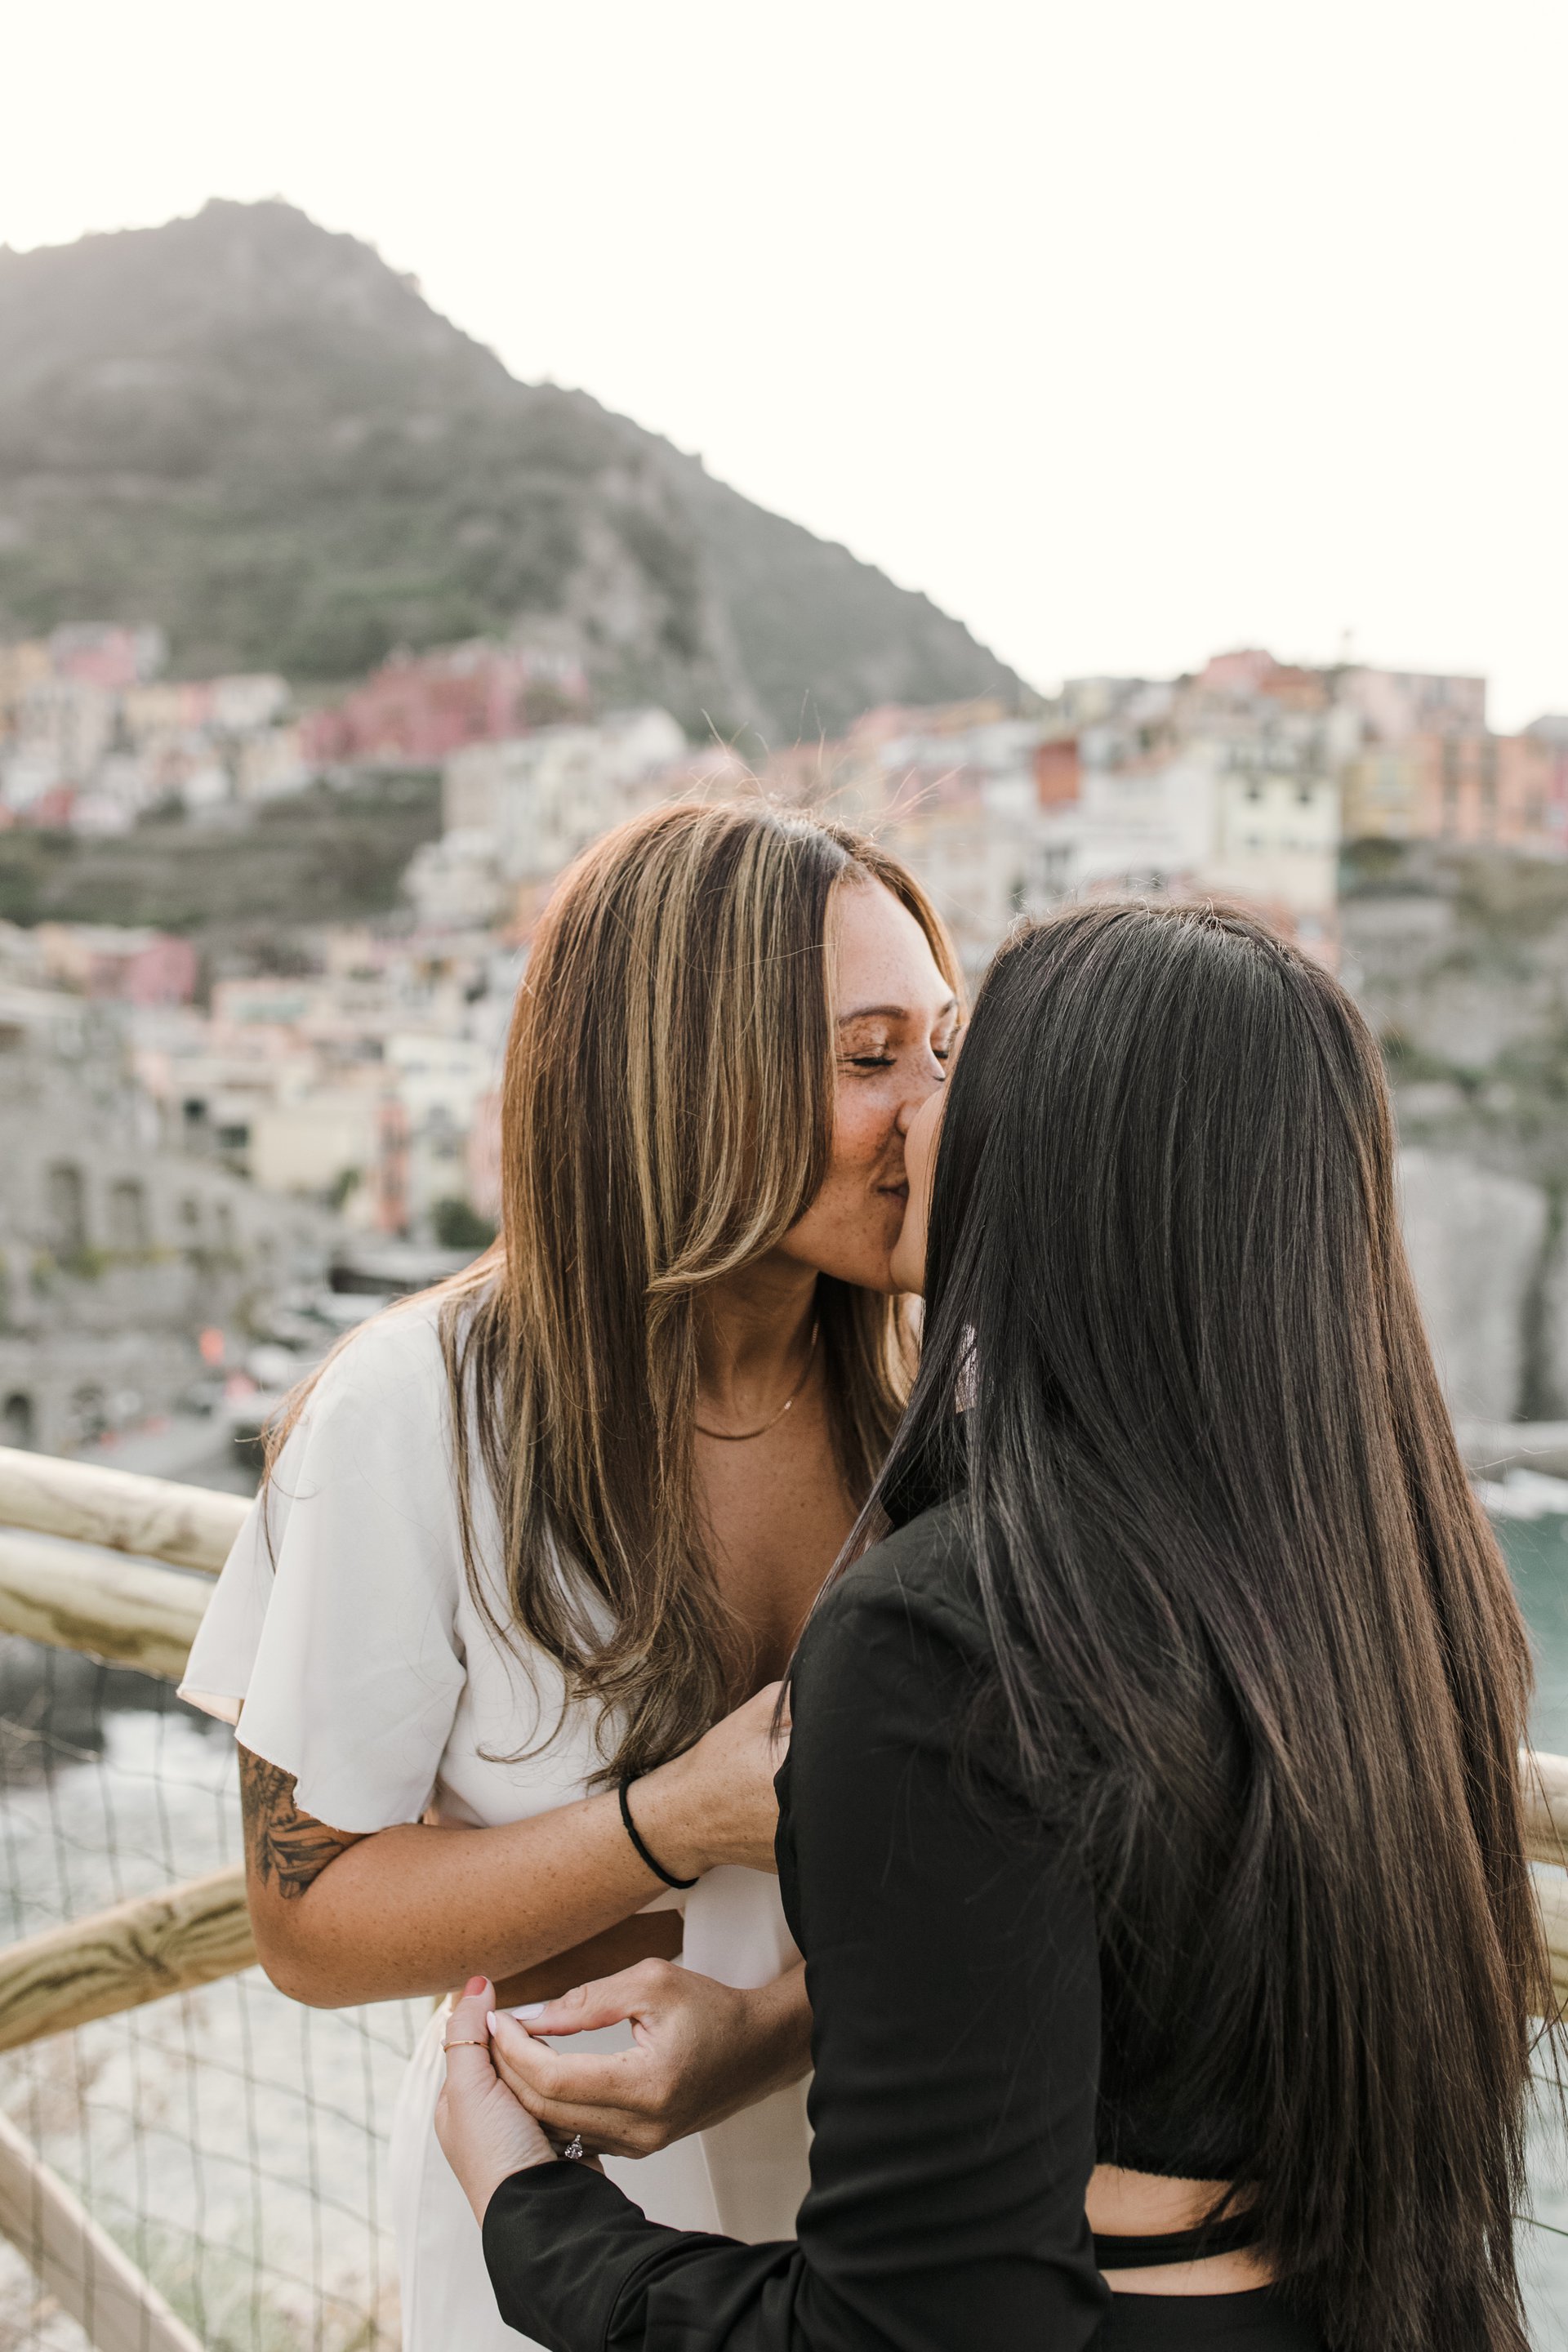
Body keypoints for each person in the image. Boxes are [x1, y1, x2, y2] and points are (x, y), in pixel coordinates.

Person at [439, 900, 1548, 2352]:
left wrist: (530, 2215)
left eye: (954, 1058)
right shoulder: (1403, 1576)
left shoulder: (950, 1640)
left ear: (1058, 1145)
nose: (910, 1112)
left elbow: (913, 2335)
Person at [178, 800, 961, 2352]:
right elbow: (305, 1915)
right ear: (680, 1082)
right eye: (870, 1060)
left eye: (944, 1049)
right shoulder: (415, 1414)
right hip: (557, 2252)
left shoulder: (952, 1398)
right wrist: (668, 1826)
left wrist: (760, 2040)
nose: (937, 1114)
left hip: (919, 2241)